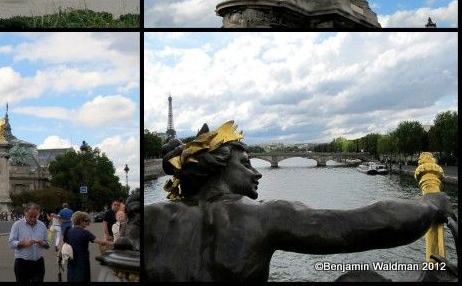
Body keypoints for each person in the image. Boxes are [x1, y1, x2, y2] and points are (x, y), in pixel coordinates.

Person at [144, 120, 455, 282]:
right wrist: (430, 204)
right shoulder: (261, 217)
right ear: (220, 164)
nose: (257, 173)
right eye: (247, 163)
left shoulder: (150, 217)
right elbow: (371, 223)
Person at [9, 203, 50, 283]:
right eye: (30, 216)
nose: (33, 219)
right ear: (25, 213)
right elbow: (11, 242)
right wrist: (23, 243)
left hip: (38, 263)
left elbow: (48, 244)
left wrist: (44, 244)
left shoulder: (42, 225)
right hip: (22, 263)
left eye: (35, 216)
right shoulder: (17, 225)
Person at [65, 211, 111, 282]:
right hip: (82, 260)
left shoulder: (69, 231)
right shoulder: (85, 232)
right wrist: (112, 243)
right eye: (86, 221)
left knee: (72, 276)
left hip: (71, 259)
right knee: (82, 277)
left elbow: (64, 243)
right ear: (80, 221)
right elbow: (100, 241)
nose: (87, 223)